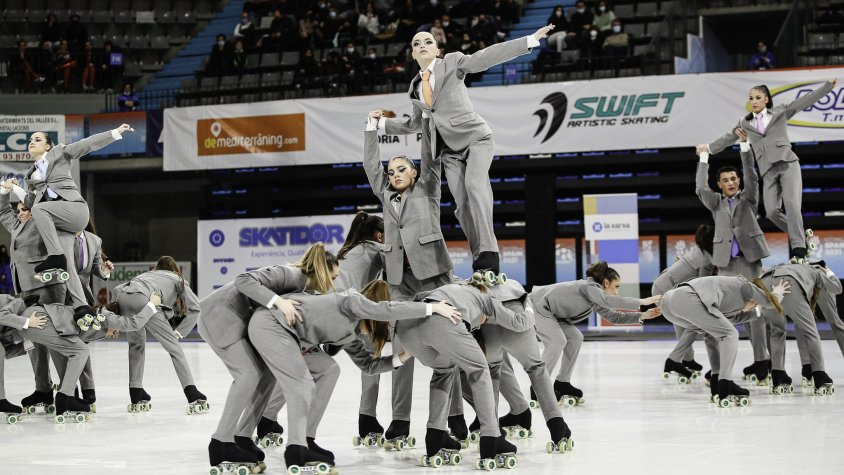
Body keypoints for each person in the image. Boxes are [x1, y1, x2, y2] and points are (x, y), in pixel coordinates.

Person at [373, 23, 554, 276]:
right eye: (416, 44)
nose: (422, 46)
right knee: (462, 207)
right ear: (412, 54)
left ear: (437, 50)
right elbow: (414, 123)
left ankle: (489, 255)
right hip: (448, 152)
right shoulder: (415, 87)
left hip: (475, 139)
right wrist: (381, 123)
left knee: (475, 187)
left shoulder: (452, 63)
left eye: (428, 42)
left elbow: (485, 57)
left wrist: (529, 40)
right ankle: (480, 257)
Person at [248, 280, 460, 473]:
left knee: (329, 370)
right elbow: (388, 308)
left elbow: (368, 365)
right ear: (373, 315)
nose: (377, 333)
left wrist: (403, 356)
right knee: (292, 382)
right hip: (275, 327)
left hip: (295, 340)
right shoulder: (352, 302)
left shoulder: (351, 334)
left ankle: (305, 440)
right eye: (380, 324)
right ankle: (286, 447)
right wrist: (433, 308)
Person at [198, 243, 336, 472]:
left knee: (268, 374)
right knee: (248, 375)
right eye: (334, 276)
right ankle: (220, 442)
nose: (334, 284)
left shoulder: (307, 290)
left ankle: (241, 436)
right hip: (219, 318)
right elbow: (243, 280)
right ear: (321, 272)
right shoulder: (290, 273)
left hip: (240, 325)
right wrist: (277, 301)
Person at [362, 111, 453, 449]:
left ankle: (452, 419)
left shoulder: (428, 188)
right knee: (401, 349)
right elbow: (372, 166)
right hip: (398, 279)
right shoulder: (385, 196)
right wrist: (371, 129)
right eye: (392, 172)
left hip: (434, 277)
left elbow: (431, 155)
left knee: (448, 344)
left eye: (402, 169)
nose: (395, 174)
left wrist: (427, 120)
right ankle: (400, 422)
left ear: (414, 172)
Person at [697, 78, 838, 262]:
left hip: (788, 164)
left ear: (766, 100)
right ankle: (802, 234)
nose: (753, 101)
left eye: (757, 97)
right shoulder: (745, 122)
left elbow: (805, 101)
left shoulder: (780, 112)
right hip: (767, 171)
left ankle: (799, 248)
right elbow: (728, 137)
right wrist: (708, 148)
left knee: (792, 205)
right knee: (771, 212)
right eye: (751, 98)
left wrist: (828, 87)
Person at [696, 128, 772, 382]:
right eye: (726, 180)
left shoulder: (749, 198)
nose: (731, 182)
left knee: (756, 313)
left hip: (750, 263)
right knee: (721, 314)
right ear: (719, 184)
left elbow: (752, 176)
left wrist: (744, 146)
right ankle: (719, 369)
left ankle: (762, 361)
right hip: (725, 266)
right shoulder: (715, 202)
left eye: (734, 179)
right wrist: (704, 158)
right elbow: (699, 187)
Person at [531, 261, 662, 405]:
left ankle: (562, 383)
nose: (617, 291)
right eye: (616, 286)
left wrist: (642, 316)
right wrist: (641, 302)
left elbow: (615, 317)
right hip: (537, 306)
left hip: (552, 313)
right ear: (606, 282)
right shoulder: (589, 287)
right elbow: (607, 300)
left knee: (575, 337)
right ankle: (538, 387)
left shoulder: (595, 297)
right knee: (557, 341)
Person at [20, 124, 132, 278]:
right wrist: (13, 189)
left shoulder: (60, 152)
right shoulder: (31, 176)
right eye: (30, 140)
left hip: (75, 209)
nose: (32, 142)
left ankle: (56, 257)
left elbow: (86, 144)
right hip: (59, 218)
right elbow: (31, 203)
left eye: (37, 139)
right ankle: (78, 299)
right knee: (37, 214)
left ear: (47, 146)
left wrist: (115, 132)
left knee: (39, 210)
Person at [660, 275, 789, 406]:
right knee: (731, 334)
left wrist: (756, 312)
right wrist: (778, 292)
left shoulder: (729, 298)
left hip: (668, 304)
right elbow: (768, 302)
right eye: (755, 303)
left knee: (711, 333)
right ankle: (726, 384)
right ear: (754, 296)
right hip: (686, 298)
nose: (753, 307)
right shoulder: (746, 286)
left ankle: (716, 382)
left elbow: (730, 320)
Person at [119, 256, 205, 413]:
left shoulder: (145, 275)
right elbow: (196, 308)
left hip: (122, 298)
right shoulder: (176, 277)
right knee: (175, 349)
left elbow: (118, 289)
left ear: (157, 267)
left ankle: (136, 392)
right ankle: (192, 392)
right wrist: (180, 331)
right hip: (147, 301)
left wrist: (116, 314)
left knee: (136, 345)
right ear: (174, 269)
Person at [759, 262, 840, 395]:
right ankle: (819, 376)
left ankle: (778, 376)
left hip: (765, 283)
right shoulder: (817, 272)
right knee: (811, 332)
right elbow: (837, 288)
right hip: (789, 284)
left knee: (777, 331)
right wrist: (829, 272)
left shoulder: (795, 266)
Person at [652, 224, 715, 381]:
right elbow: (702, 284)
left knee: (684, 324)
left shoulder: (698, 251)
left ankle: (686, 359)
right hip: (667, 291)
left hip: (664, 286)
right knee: (695, 324)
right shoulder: (706, 259)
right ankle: (674, 360)